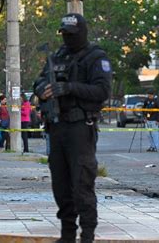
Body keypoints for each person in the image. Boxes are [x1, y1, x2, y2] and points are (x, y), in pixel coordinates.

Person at [33, 13, 112, 243]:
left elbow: (102, 91)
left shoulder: (95, 57)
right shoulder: (58, 56)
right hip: (57, 127)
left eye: (71, 35)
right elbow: (38, 81)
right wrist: (43, 89)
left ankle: (87, 235)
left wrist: (68, 88)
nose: (67, 39)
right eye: (64, 34)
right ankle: (67, 235)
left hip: (80, 127)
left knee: (82, 184)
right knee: (61, 185)